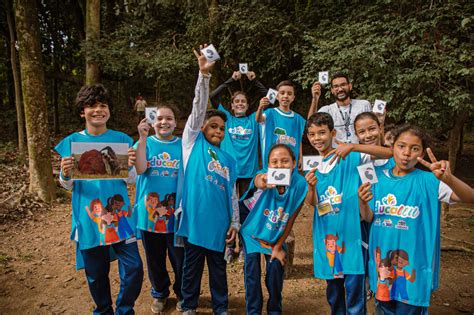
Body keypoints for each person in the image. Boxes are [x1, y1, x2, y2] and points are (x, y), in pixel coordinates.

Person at [358, 124, 474, 314]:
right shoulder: (375, 178)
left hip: (414, 269)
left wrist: (449, 179)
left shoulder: (430, 181)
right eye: (401, 146)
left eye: (414, 149)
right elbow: (369, 217)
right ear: (392, 147)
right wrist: (362, 202)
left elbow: (470, 197)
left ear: (422, 153)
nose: (406, 154)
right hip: (383, 270)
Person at [55, 84, 143, 314]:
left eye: (103, 105)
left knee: (134, 268)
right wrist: (64, 173)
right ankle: (104, 310)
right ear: (82, 111)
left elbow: (131, 180)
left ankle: (125, 309)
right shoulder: (71, 142)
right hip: (89, 220)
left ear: (109, 111)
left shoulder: (122, 139)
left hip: (121, 218)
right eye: (92, 106)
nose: (98, 110)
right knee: (96, 275)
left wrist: (130, 166)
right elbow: (67, 185)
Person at [304, 112, 392, 315]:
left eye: (322, 133)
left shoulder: (351, 156)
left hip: (352, 236)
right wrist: (310, 187)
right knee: (334, 294)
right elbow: (313, 203)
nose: (317, 138)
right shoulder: (313, 166)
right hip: (327, 238)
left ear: (333, 133)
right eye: (312, 134)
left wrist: (353, 146)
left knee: (354, 292)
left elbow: (389, 153)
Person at [175, 45, 240, 315]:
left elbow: (232, 194)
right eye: (213, 126)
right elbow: (198, 107)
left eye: (222, 128)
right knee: (191, 270)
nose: (218, 130)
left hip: (219, 226)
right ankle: (188, 305)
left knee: (218, 271)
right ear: (202, 127)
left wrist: (235, 222)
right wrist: (204, 76)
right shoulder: (192, 142)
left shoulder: (228, 160)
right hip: (195, 222)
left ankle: (221, 308)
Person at [240, 144, 309, 314]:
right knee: (252, 274)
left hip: (275, 233)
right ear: (268, 165)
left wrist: (278, 247)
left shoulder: (300, 183)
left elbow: (291, 219)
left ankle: (275, 310)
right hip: (252, 230)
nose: (279, 165)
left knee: (275, 270)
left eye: (285, 161)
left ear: (294, 163)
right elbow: (258, 181)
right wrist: (262, 182)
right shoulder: (264, 176)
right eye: (274, 162)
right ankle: (253, 311)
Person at [210, 70, 268, 262]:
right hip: (229, 173)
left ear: (248, 105)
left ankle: (243, 247)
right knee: (228, 210)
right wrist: (231, 80)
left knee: (247, 211)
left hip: (249, 175)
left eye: (243, 102)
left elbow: (270, 98)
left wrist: (254, 79)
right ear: (232, 106)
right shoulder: (226, 119)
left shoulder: (255, 119)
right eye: (237, 102)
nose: (240, 104)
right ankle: (228, 246)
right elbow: (213, 96)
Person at [134, 105, 184, 313]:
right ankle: (160, 293)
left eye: (169, 118)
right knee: (154, 259)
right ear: (152, 121)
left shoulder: (183, 146)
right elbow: (140, 169)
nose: (164, 122)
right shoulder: (143, 143)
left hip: (177, 216)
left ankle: (183, 293)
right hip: (149, 216)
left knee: (180, 259)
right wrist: (143, 139)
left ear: (175, 122)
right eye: (160, 118)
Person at [308, 73, 371, 144]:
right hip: (337, 152)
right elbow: (310, 124)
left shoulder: (363, 105)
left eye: (343, 85)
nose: (340, 89)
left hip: (361, 151)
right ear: (332, 90)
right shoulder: (327, 110)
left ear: (350, 86)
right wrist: (315, 99)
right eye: (336, 86)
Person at [256, 80, 306, 169]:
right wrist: (260, 107)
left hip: (290, 162)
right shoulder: (270, 113)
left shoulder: (298, 118)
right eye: (282, 93)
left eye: (289, 93)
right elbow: (258, 119)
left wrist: (300, 156)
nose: (286, 96)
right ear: (277, 96)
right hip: (273, 162)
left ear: (293, 98)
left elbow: (299, 139)